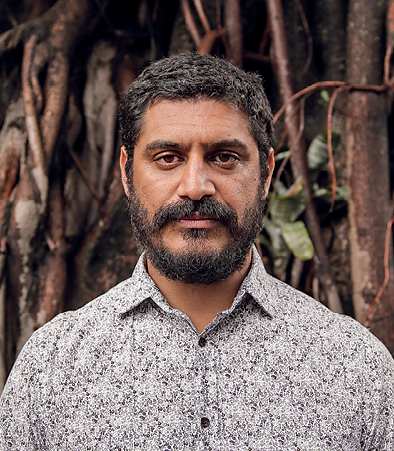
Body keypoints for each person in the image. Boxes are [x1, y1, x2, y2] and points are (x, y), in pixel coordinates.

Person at [1, 52, 393, 450]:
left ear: (266, 172)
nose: (195, 186)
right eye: (167, 158)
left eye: (224, 157)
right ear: (126, 172)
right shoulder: (51, 367)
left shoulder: (354, 368)